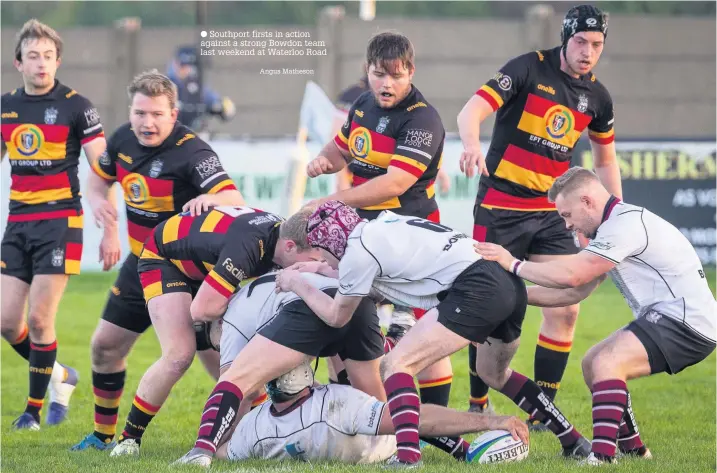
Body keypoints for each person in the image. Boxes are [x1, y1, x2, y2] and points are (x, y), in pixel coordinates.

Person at [274, 200, 592, 467]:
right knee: (493, 373)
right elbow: (384, 278)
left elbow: (336, 316)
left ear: (329, 243)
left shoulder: (357, 252)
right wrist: (321, 270)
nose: (323, 259)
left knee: (395, 365)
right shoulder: (384, 223)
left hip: (475, 287)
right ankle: (574, 441)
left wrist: (296, 283)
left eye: (321, 252)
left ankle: (409, 457)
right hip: (505, 279)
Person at [475, 166, 716, 465]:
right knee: (592, 363)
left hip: (685, 321)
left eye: (566, 215)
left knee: (607, 362)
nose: (566, 225)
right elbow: (573, 293)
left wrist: (512, 264)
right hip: (672, 317)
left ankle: (601, 459)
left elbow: (573, 276)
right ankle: (636, 453)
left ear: (587, 202)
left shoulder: (623, 225)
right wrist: (511, 296)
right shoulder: (614, 225)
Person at [456, 4, 622, 421]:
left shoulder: (598, 98)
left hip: (551, 210)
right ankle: (478, 402)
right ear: (565, 39)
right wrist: (472, 144)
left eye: (596, 44)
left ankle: (542, 411)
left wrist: (614, 215)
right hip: (499, 207)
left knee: (566, 307)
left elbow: (605, 162)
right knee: (486, 306)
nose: (588, 52)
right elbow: (471, 109)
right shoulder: (529, 68)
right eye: (580, 42)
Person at [70, 69, 244, 451]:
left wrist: (211, 199)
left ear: (173, 113)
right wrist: (104, 212)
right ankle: (102, 437)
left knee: (212, 359)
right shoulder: (121, 140)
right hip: (141, 261)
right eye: (139, 113)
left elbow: (233, 198)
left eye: (155, 115)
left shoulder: (191, 151)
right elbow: (98, 181)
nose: (146, 123)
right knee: (105, 346)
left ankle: (253, 432)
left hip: (186, 269)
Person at [304, 31, 455, 426]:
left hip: (413, 238)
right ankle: (355, 418)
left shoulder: (423, 118)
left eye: (396, 75)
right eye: (378, 74)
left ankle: (433, 426)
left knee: (425, 335)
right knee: (346, 320)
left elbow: (394, 184)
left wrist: (333, 200)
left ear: (411, 72)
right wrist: (324, 160)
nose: (386, 84)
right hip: (366, 237)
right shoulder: (362, 105)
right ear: (367, 72)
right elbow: (341, 148)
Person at [108, 205, 322, 457]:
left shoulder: (285, 237)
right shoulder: (250, 246)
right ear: (289, 248)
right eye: (313, 260)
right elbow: (202, 309)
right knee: (179, 355)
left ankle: (241, 437)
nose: (314, 266)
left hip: (206, 264)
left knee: (250, 352)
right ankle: (129, 439)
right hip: (164, 259)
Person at [0, 19, 107, 430]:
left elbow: (101, 163)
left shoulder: (77, 107)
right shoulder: (6, 107)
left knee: (41, 320)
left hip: (61, 222)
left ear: (57, 60)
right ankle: (62, 375)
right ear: (18, 63)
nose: (41, 63)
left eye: (48, 56)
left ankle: (31, 411)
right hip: (18, 222)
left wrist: (108, 209)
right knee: (9, 323)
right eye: (33, 56)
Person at [173, 265, 386, 467]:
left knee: (234, 381)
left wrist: (228, 441)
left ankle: (201, 450)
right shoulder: (256, 294)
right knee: (380, 416)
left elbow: (237, 391)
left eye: (215, 343)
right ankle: (405, 448)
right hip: (353, 302)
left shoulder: (230, 321)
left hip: (307, 305)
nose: (219, 349)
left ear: (217, 322)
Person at [216, 362, 529, 464]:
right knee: (398, 411)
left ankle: (461, 451)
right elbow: (414, 418)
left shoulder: (253, 426)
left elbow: (219, 454)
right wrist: (491, 420)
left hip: (376, 429)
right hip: (383, 437)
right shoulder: (336, 403)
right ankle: (462, 451)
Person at [166, 46, 235, 134]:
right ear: (174, 63)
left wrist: (223, 106)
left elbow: (216, 102)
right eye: (182, 65)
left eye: (188, 65)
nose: (184, 69)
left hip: (195, 134)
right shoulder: (165, 85)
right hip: (172, 135)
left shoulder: (196, 86)